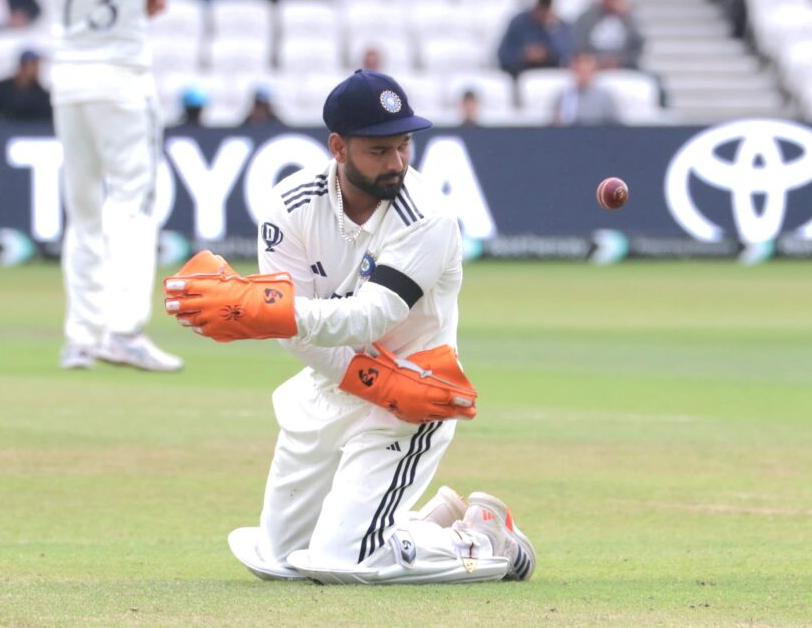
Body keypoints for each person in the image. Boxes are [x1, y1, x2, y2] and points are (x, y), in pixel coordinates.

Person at [162, 70, 537, 585]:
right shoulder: (290, 206)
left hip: (411, 390)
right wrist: (357, 374)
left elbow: (371, 315)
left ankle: (480, 539)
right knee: (280, 560)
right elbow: (296, 333)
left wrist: (272, 312)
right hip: (331, 387)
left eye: (404, 146)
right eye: (379, 150)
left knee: (343, 561)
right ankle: (424, 525)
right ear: (338, 147)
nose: (397, 163)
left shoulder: (428, 218)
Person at [49, 0, 183, 372]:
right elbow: (155, 0)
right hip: (121, 76)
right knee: (133, 203)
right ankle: (123, 332)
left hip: (68, 79)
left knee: (82, 209)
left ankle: (82, 337)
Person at [497, 0, 572, 78]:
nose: (543, 13)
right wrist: (523, 55)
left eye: (546, 10)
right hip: (521, 73)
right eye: (541, 9)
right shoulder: (519, 23)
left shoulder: (560, 25)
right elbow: (503, 55)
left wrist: (552, 30)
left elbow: (566, 55)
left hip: (550, 74)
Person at [573, 0, 644, 70]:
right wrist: (598, 60)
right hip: (591, 66)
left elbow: (637, 45)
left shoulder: (627, 19)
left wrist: (627, 17)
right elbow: (579, 44)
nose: (613, 1)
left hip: (623, 65)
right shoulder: (587, 18)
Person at [0, 49, 52, 123]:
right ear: (22, 67)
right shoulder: (1, 88)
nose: (37, 69)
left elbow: (43, 122)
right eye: (33, 65)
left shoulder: (42, 94)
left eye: (38, 65)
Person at [552, 53, 619, 126]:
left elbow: (614, 126)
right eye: (579, 69)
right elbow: (555, 126)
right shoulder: (564, 96)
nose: (583, 72)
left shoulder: (605, 97)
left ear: (594, 69)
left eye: (586, 68)